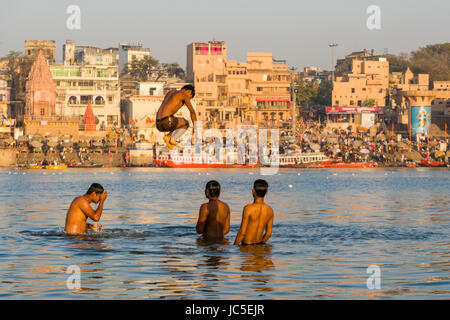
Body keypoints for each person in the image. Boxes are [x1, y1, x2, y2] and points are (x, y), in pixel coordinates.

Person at [156, 85, 197, 149]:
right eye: (190, 98)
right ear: (188, 91)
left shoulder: (170, 92)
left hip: (158, 124)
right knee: (186, 123)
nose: (188, 99)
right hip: (167, 122)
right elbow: (192, 112)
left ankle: (168, 137)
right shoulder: (183, 95)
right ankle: (172, 138)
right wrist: (195, 127)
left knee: (176, 121)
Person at [234, 179, 274, 245]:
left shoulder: (248, 208)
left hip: (247, 247)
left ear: (253, 191)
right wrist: (260, 244)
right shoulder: (270, 210)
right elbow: (268, 234)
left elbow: (242, 232)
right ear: (266, 192)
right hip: (259, 245)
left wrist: (234, 247)